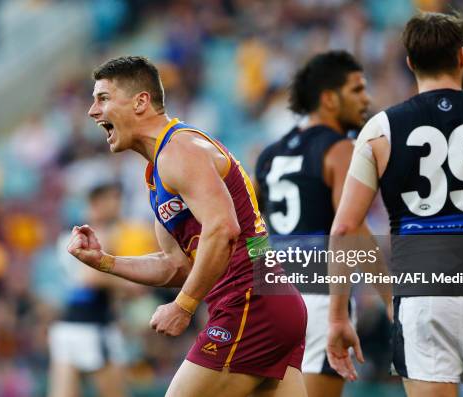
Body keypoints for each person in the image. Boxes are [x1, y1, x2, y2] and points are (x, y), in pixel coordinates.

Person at [67, 56, 308, 397]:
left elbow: (223, 229)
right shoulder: (157, 173)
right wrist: (106, 262)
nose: (92, 110)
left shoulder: (179, 150)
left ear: (140, 102)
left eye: (103, 98)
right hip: (269, 303)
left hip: (249, 303)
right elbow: (176, 266)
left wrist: (183, 306)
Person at [326, 12, 463, 397]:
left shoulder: (380, 130)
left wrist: (346, 313)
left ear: (409, 63)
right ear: (462, 57)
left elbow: (344, 228)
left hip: (422, 295)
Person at [255, 50, 378, 397]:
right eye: (356, 90)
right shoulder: (341, 149)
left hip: (271, 296)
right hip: (319, 299)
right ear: (328, 98)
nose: (366, 99)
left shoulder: (269, 154)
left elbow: (253, 231)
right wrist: (392, 296)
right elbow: (351, 230)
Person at [49, 183, 136, 397]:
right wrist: (131, 283)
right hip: (94, 326)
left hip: (68, 323)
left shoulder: (67, 231)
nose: (118, 205)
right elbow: (90, 278)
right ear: (98, 202)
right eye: (114, 199)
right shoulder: (98, 233)